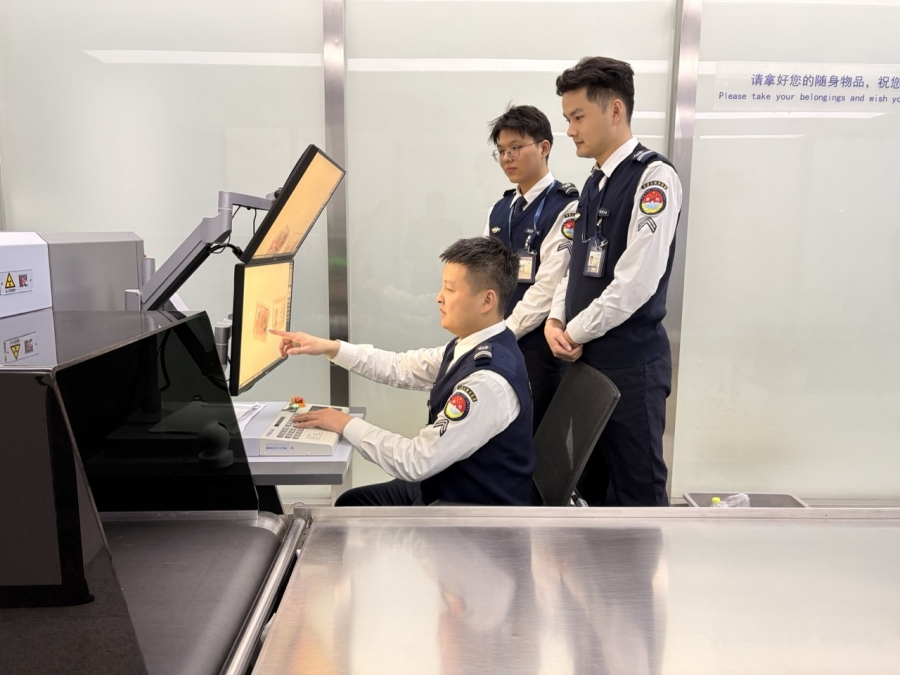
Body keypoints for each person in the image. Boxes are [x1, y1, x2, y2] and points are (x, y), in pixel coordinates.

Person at [271, 236, 535, 506]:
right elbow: (399, 367)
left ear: (487, 301)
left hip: (469, 512)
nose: (439, 297)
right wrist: (330, 347)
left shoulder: (487, 381)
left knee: (351, 509)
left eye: (449, 289)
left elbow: (415, 460)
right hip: (444, 482)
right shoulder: (472, 346)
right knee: (351, 502)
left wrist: (344, 423)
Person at [546, 56, 683, 507]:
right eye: (567, 118)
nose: (570, 130)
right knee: (589, 492)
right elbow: (574, 265)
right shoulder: (594, 183)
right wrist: (555, 319)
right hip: (585, 365)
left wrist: (573, 330)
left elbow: (636, 282)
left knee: (636, 497)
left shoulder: (653, 178)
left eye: (578, 117)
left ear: (615, 110)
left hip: (630, 369)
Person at [484, 104, 579, 432]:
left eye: (515, 147)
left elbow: (548, 287)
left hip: (537, 349)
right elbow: (485, 275)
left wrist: (503, 333)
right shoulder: (499, 210)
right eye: (501, 151)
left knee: (536, 438)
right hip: (498, 342)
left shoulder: (566, 207)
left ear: (544, 147)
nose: (507, 158)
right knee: (498, 434)